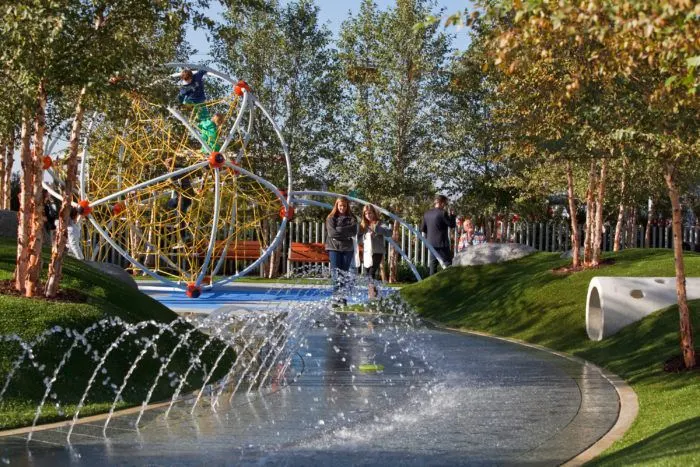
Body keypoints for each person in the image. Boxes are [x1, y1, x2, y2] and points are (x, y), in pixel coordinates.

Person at [325, 197, 357, 305]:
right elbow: (332, 233)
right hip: (334, 248)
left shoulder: (352, 218)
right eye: (340, 206)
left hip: (347, 249)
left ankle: (342, 299)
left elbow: (353, 232)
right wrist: (345, 232)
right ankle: (335, 298)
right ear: (336, 206)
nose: (342, 208)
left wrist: (339, 230)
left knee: (344, 274)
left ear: (347, 206)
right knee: (336, 274)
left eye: (344, 206)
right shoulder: (331, 218)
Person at [358, 205, 392, 299]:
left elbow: (389, 232)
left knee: (371, 273)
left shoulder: (379, 223)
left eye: (370, 213)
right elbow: (359, 239)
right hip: (367, 253)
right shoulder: (363, 225)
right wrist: (365, 237)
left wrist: (376, 229)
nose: (368, 215)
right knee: (367, 274)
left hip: (377, 252)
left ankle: (372, 296)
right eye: (366, 213)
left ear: (373, 213)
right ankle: (375, 294)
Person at [420, 194, 456, 275]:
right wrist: (453, 216)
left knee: (433, 264)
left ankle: (432, 283)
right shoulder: (443, 213)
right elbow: (452, 225)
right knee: (447, 263)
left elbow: (422, 228)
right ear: (442, 203)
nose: (445, 206)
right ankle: (448, 281)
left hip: (430, 243)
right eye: (445, 204)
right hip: (442, 243)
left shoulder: (427, 213)